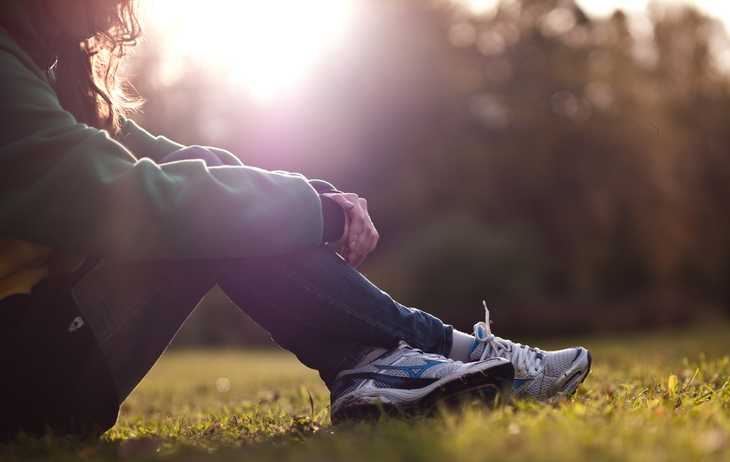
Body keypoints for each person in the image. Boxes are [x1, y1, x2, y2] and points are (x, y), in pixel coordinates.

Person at [0, 0, 591, 438]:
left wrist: (311, 197)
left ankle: (373, 368)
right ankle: (429, 352)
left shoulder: (42, 73)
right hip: (24, 381)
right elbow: (135, 197)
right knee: (204, 214)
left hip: (38, 360)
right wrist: (310, 212)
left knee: (211, 187)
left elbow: (177, 160)